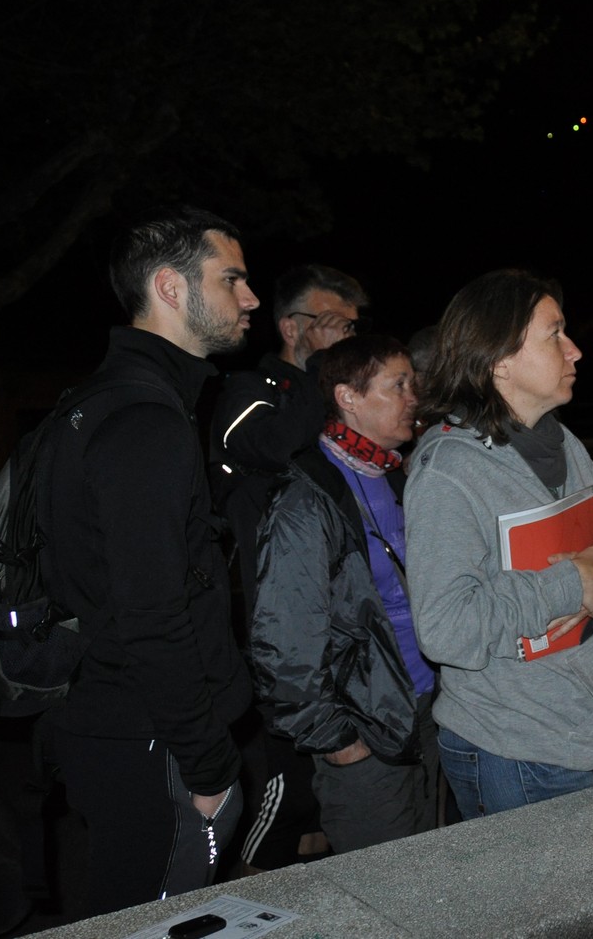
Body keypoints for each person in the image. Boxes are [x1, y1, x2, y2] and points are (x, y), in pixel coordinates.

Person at [40, 205, 259, 914]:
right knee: (158, 920)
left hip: (123, 729)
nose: (251, 298)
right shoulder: (144, 420)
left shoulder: (104, 400)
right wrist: (208, 764)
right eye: (232, 279)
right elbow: (152, 613)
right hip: (150, 740)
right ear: (170, 287)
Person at [405, 269, 593, 816]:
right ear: (499, 360)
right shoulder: (449, 472)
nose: (575, 350)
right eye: (555, 333)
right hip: (511, 751)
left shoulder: (561, 441)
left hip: (581, 729)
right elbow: (446, 628)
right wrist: (572, 583)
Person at [209, 262, 368, 873]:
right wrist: (319, 372)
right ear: (292, 327)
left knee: (325, 816)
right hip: (280, 620)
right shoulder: (252, 389)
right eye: (332, 323)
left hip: (343, 614)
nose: (345, 335)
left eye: (351, 325)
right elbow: (269, 447)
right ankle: (243, 892)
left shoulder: (338, 393)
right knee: (287, 795)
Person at [250, 334, 438, 852]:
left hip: (427, 712)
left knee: (434, 872)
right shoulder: (308, 498)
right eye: (398, 385)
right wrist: (337, 741)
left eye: (413, 384)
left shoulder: (398, 477)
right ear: (348, 397)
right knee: (386, 884)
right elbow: (284, 638)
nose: (413, 398)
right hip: (367, 730)